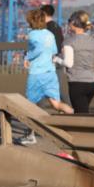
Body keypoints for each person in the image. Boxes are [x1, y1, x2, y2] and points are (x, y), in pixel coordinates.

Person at [20, 9, 74, 145]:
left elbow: (37, 49)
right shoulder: (50, 34)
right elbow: (54, 51)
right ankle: (75, 117)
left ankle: (30, 135)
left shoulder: (32, 34)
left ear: (32, 21)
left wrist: (28, 57)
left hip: (37, 73)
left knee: (29, 105)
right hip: (50, 73)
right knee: (56, 104)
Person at [58, 10, 94, 114]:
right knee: (83, 111)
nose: (68, 23)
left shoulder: (69, 41)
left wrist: (56, 59)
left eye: (69, 20)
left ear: (73, 23)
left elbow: (68, 63)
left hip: (76, 83)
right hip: (91, 84)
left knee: (81, 116)